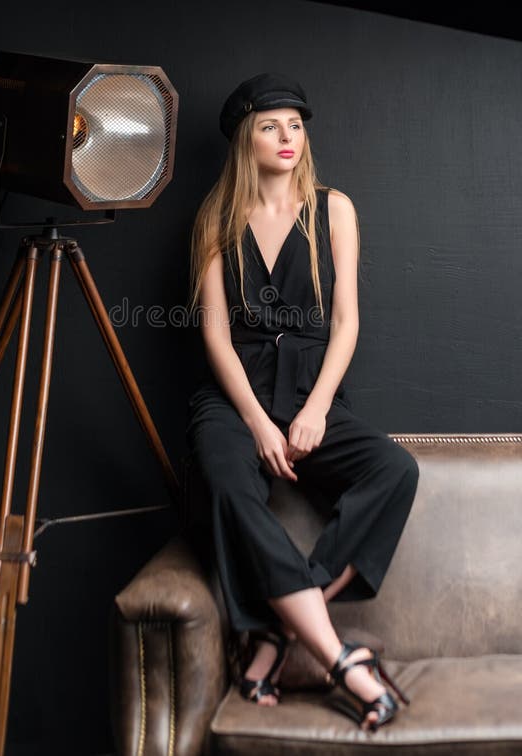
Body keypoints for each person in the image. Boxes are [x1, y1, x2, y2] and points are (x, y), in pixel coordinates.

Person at [184, 72, 419, 731]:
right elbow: (215, 337)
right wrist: (258, 423)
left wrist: (314, 410)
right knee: (230, 483)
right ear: (244, 139)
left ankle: (276, 633)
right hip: (234, 398)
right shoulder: (215, 218)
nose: (287, 137)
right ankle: (339, 658)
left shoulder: (333, 208)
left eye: (295, 124)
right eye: (270, 125)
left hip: (310, 388)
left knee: (394, 469)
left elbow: (345, 323)